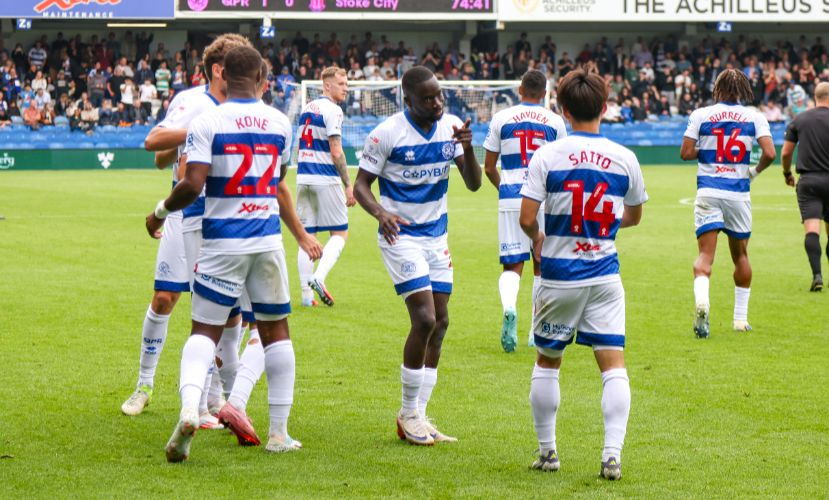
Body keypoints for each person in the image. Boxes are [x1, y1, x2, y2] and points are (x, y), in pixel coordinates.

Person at [146, 45, 318, 462]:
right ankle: (279, 433)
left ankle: (191, 409)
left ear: (223, 75)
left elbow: (191, 184)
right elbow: (276, 180)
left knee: (204, 331)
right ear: (261, 78)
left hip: (221, 241)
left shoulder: (207, 121)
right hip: (266, 241)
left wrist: (159, 212)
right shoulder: (280, 122)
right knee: (276, 332)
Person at [519, 69, 647, 479]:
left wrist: (539, 238)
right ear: (605, 107)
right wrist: (603, 228)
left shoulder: (547, 155)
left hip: (559, 275)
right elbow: (634, 216)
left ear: (563, 110)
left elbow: (526, 218)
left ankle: (548, 453)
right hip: (605, 275)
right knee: (613, 365)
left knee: (547, 361)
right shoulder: (625, 158)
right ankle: (612, 455)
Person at [120, 35, 250, 426]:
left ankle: (214, 399)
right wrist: (196, 131)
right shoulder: (193, 101)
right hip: (185, 213)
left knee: (223, 312)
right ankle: (144, 386)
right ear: (218, 70)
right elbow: (155, 145)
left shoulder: (245, 106)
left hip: (225, 217)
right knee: (165, 298)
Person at [354, 66, 482, 446]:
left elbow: (474, 184)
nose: (437, 103)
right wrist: (381, 213)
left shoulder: (451, 127)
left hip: (436, 237)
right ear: (407, 100)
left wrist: (468, 148)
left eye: (439, 95)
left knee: (441, 323)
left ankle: (420, 416)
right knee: (424, 319)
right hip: (401, 236)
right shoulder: (387, 134)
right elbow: (361, 185)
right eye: (427, 98)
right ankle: (408, 412)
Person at [680, 69, 776, 338]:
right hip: (738, 194)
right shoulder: (755, 117)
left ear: (718, 88)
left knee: (704, 257)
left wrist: (709, 151)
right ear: (742, 90)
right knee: (741, 256)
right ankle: (740, 320)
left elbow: (685, 152)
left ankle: (702, 302)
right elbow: (770, 153)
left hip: (709, 192)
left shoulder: (701, 114)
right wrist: (753, 172)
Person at [483, 69, 567, 352]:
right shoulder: (555, 122)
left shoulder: (501, 118)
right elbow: (561, 167)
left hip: (511, 196)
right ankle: (535, 330)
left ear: (519, 90)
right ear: (544, 94)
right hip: (544, 198)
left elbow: (488, 167)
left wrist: (506, 189)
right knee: (542, 264)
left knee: (512, 265)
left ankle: (509, 307)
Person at [295, 67, 355, 307]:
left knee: (307, 236)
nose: (346, 89)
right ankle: (318, 277)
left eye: (347, 84)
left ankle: (306, 297)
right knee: (340, 233)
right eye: (342, 84)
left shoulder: (307, 109)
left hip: (303, 178)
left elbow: (299, 146)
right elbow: (336, 151)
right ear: (327, 85)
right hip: (325, 178)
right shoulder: (334, 110)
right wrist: (348, 184)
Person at [781, 81, 829, 291]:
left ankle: (817, 276)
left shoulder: (800, 120)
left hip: (809, 182)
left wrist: (787, 173)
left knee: (812, 229)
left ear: (815, 97)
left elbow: (785, 153)